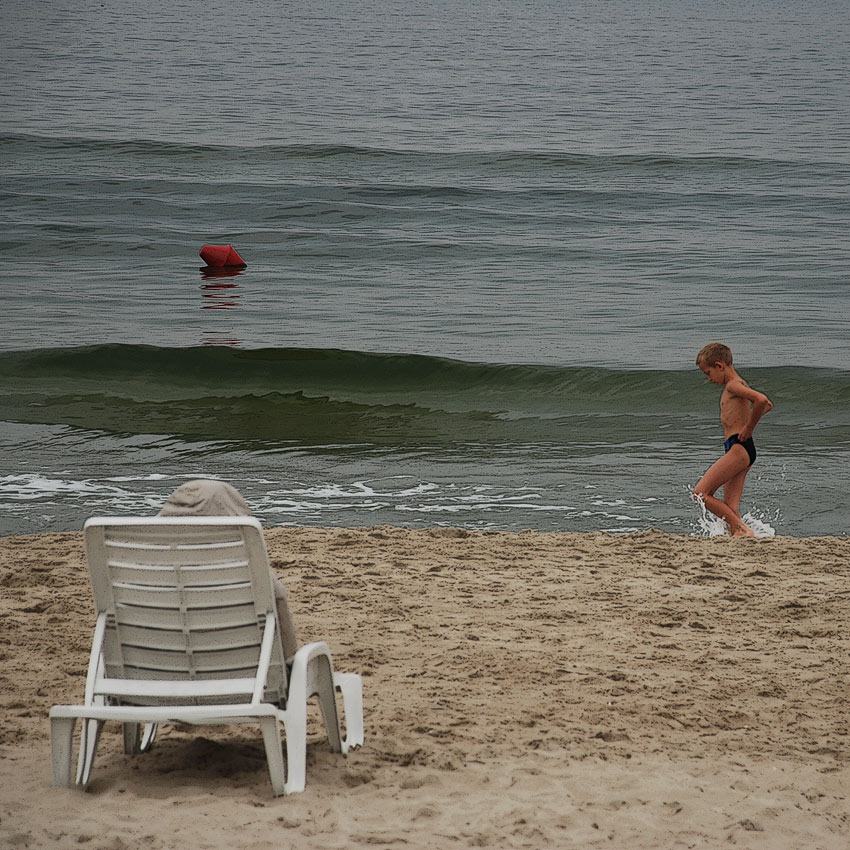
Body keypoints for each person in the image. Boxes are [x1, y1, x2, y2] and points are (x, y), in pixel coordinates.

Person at [158, 479, 299, 658]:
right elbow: (288, 655)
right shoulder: (258, 579)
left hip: (152, 677)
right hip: (246, 679)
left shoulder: (135, 578)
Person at [693, 343, 773, 537]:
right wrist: (748, 424)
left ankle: (743, 529)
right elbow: (767, 406)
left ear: (720, 366)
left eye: (708, 373)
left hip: (739, 448)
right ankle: (738, 536)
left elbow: (762, 400)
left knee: (701, 493)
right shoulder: (738, 384)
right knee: (730, 506)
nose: (709, 379)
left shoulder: (733, 385)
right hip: (742, 449)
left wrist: (748, 428)